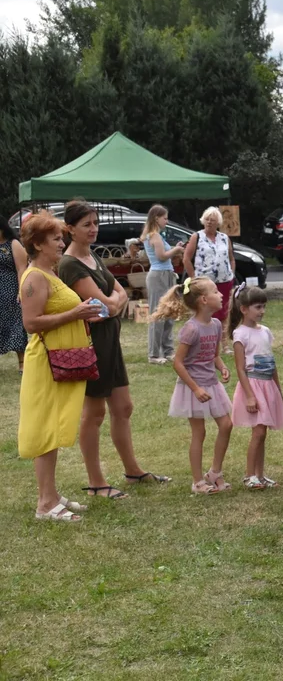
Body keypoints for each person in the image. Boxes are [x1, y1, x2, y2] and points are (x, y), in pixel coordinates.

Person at [59, 200, 168, 500]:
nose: (93, 229)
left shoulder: (92, 255)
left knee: (123, 407)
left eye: (95, 223)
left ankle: (133, 470)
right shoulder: (69, 264)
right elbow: (106, 302)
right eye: (86, 225)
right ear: (70, 229)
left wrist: (113, 303)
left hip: (110, 341)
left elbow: (117, 292)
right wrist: (113, 303)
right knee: (93, 414)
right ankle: (96, 482)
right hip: (91, 345)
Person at [18, 212, 104, 521]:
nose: (61, 242)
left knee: (54, 428)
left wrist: (83, 315)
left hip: (61, 361)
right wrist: (74, 315)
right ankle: (45, 504)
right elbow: (30, 323)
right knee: (45, 429)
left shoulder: (49, 273)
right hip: (46, 364)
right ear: (38, 244)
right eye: (55, 238)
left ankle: (52, 494)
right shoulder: (35, 277)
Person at [153, 277, 234, 494]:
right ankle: (198, 481)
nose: (221, 295)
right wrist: (196, 389)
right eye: (216, 292)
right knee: (199, 433)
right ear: (204, 300)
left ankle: (215, 473)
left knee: (226, 424)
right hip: (193, 387)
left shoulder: (216, 324)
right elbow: (178, 363)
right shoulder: (191, 329)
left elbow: (214, 355)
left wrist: (222, 367)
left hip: (212, 384)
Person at [229, 284, 283, 490]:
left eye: (264, 306)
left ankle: (260, 475)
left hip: (267, 385)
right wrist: (249, 396)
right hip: (253, 386)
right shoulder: (240, 334)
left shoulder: (265, 331)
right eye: (257, 307)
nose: (262, 311)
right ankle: (249, 476)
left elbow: (271, 362)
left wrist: (278, 390)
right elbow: (240, 368)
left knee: (263, 433)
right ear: (244, 309)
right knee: (258, 432)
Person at [183, 206, 236, 345]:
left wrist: (232, 272)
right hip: (205, 282)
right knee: (206, 311)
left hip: (224, 280)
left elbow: (231, 258)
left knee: (224, 312)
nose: (209, 222)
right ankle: (204, 340)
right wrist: (194, 277)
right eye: (207, 219)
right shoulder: (197, 236)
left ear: (218, 222)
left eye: (212, 220)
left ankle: (224, 343)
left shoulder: (224, 238)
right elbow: (186, 258)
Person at [141, 205, 185, 365]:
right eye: (165, 218)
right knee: (158, 314)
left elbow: (165, 254)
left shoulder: (158, 236)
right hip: (158, 276)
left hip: (166, 274)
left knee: (170, 313)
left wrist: (174, 248)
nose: (167, 221)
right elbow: (161, 256)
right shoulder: (154, 236)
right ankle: (153, 354)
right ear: (156, 218)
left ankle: (168, 350)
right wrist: (177, 250)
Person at [0, 217, 29, 372]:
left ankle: (22, 363)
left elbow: (21, 269)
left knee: (16, 325)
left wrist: (21, 290)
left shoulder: (13, 244)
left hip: (11, 291)